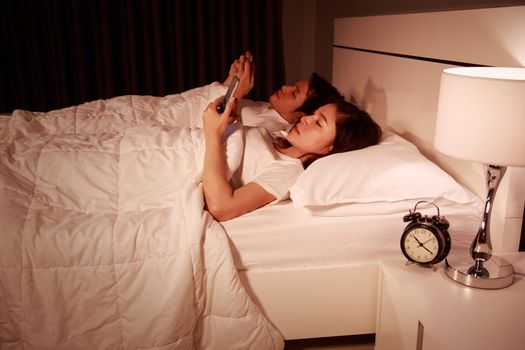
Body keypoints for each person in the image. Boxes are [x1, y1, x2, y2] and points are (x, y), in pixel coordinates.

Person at [201, 96, 382, 222]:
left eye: (319, 123)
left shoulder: (287, 171)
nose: (306, 119)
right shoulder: (278, 136)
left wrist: (213, 133)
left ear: (330, 149)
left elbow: (222, 207)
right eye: (314, 114)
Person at [223, 51, 345, 133]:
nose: (285, 87)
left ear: (301, 116)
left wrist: (236, 93)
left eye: (294, 94)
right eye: (293, 85)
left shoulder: (269, 128)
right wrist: (229, 82)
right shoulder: (269, 108)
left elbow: (221, 138)